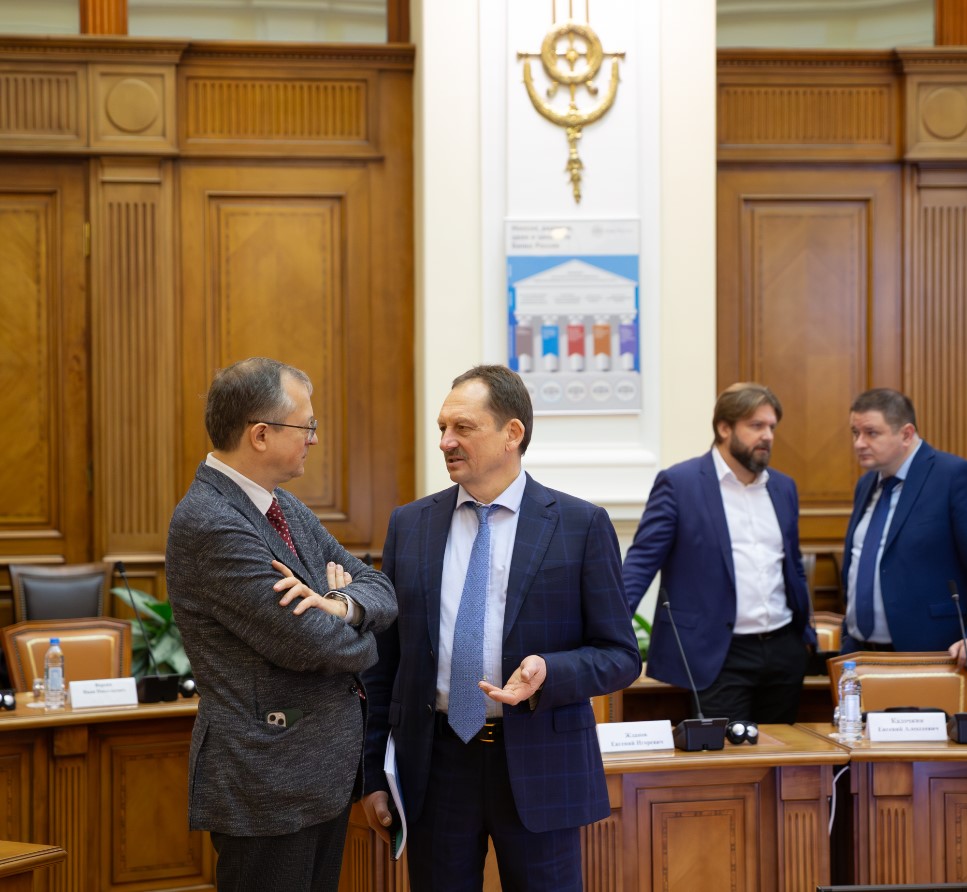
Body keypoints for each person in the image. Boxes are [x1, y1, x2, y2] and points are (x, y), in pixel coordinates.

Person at [360, 364, 641, 892]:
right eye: (442, 428)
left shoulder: (580, 525)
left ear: (513, 433)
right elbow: (384, 662)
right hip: (436, 767)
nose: (445, 442)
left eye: (462, 428)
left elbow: (620, 656)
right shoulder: (410, 525)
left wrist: (549, 671)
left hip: (540, 764)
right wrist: (373, 773)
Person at [166, 357, 397, 892]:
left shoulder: (284, 507)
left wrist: (337, 604)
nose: (314, 438)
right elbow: (310, 643)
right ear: (261, 434)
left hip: (319, 776)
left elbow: (379, 588)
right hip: (267, 785)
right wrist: (362, 636)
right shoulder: (211, 522)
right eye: (306, 426)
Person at [621, 382, 817, 724]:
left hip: (783, 651)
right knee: (727, 754)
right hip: (717, 653)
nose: (768, 436)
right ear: (725, 428)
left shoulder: (783, 487)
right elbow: (641, 563)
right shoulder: (680, 483)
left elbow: (792, 566)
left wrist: (806, 635)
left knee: (783, 751)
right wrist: (609, 629)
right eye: (756, 425)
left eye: (772, 427)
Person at [841, 387, 967, 669]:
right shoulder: (866, 484)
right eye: (855, 433)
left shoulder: (956, 477)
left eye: (871, 433)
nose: (859, 443)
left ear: (906, 434)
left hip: (936, 655)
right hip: (861, 655)